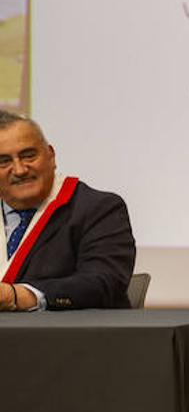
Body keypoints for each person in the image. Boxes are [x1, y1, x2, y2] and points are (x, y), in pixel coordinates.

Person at [0, 110, 134, 311]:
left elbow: (103, 283)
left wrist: (20, 296)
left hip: (64, 339)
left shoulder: (99, 209)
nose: (19, 170)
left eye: (28, 156)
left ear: (51, 156)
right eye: (4, 161)